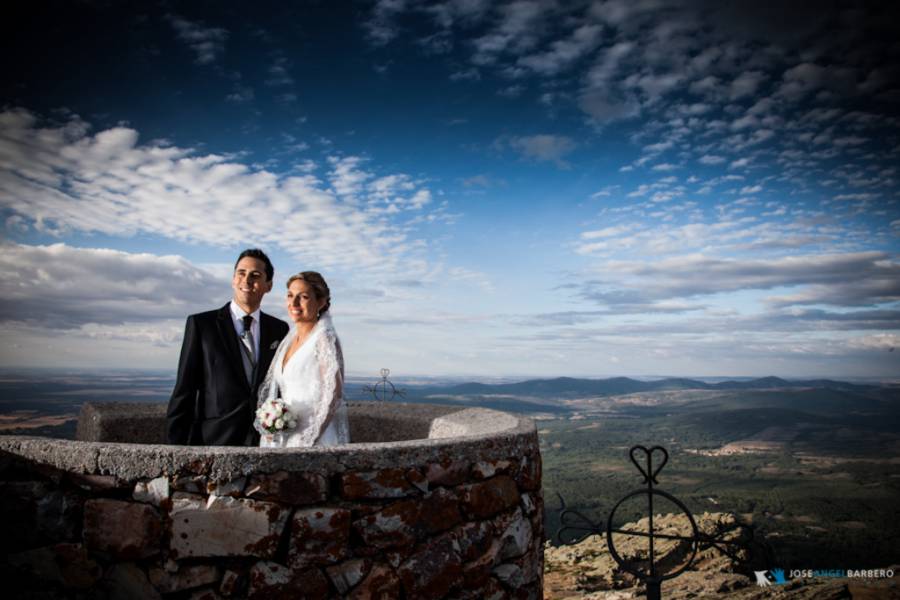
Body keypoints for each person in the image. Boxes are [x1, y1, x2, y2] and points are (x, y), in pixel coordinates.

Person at [166, 249, 290, 446]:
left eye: (255, 275)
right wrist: (175, 449)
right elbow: (184, 390)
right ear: (233, 279)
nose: (247, 280)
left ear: (269, 285)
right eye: (241, 273)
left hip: (264, 442)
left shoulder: (279, 329)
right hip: (214, 440)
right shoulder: (202, 325)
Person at [255, 271, 349, 447]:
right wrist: (272, 422)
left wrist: (308, 439)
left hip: (312, 437)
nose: (294, 303)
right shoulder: (289, 339)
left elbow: (333, 395)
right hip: (282, 434)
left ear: (320, 302)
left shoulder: (324, 339)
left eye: (303, 297)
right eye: (290, 296)